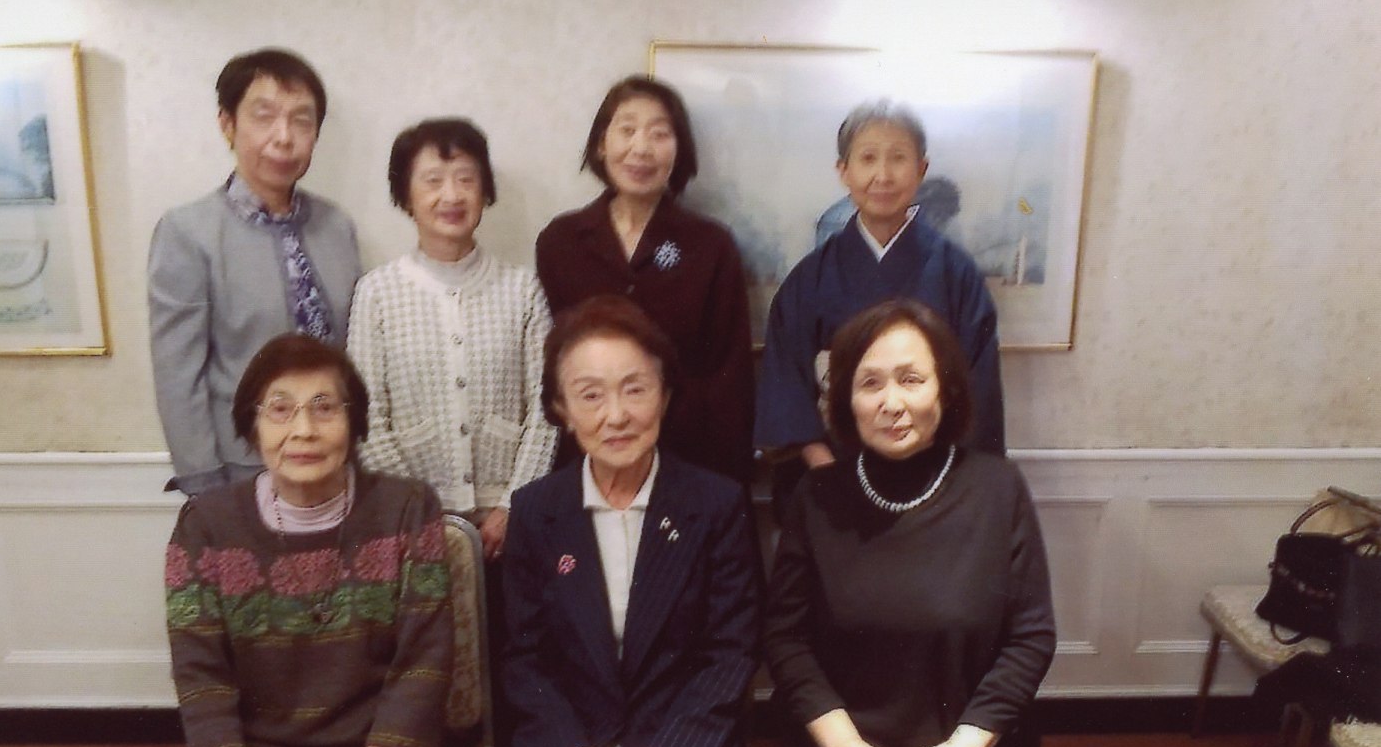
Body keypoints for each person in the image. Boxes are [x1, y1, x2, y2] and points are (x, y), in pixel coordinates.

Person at [764, 299, 1059, 747]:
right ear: (844, 401)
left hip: (965, 740)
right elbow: (785, 637)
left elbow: (1031, 635)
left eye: (911, 379)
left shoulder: (998, 489)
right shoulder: (817, 496)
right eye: (870, 383)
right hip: (846, 743)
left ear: (946, 390)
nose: (891, 402)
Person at [166, 333, 453, 747]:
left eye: (325, 407)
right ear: (252, 425)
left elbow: (425, 659)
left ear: (354, 422)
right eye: (280, 409)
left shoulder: (408, 509)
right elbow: (199, 673)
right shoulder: (205, 527)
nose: (303, 429)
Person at [497, 295, 760, 747]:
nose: (615, 415)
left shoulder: (714, 505)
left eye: (634, 389)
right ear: (561, 410)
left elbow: (732, 651)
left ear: (665, 396)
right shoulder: (537, 512)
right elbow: (522, 658)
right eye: (590, 395)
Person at [755, 99, 1006, 511]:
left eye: (898, 158)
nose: (883, 176)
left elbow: (977, 395)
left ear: (921, 169)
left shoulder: (956, 275)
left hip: (934, 484)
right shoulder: (809, 280)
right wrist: (830, 476)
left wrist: (944, 488)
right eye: (868, 158)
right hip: (831, 480)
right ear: (844, 171)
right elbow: (787, 389)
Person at [149, 47, 360, 496]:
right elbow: (178, 375)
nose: (284, 137)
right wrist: (205, 485)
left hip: (335, 462)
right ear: (227, 124)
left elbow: (353, 354)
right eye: (264, 116)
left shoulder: (336, 227)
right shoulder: (188, 232)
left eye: (301, 120)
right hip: (241, 471)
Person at [348, 117, 555, 562]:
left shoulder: (521, 289)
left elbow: (547, 408)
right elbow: (367, 416)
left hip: (511, 521)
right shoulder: (377, 293)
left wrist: (513, 506)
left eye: (466, 179)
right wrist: (418, 514)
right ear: (406, 194)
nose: (452, 195)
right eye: (432, 180)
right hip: (410, 523)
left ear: (485, 191)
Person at [535, 75, 755, 486]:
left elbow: (730, 376)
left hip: (690, 459)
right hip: (589, 456)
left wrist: (727, 488)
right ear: (602, 144)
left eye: (659, 133)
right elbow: (550, 365)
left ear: (679, 148)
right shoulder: (561, 242)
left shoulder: (710, 245)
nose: (641, 148)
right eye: (627, 130)